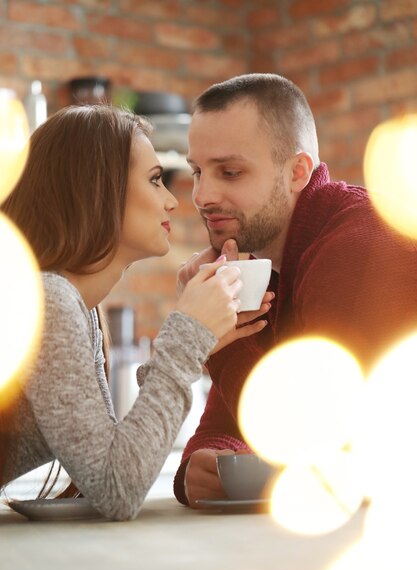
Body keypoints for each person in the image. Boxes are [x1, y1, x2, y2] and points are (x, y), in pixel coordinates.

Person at [0, 103, 271, 521]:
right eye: (155, 180)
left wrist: (194, 343)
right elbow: (118, 488)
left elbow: (112, 461)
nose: (171, 202)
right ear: (96, 189)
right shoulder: (50, 302)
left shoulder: (77, 310)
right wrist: (186, 340)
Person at [173, 72, 417, 507]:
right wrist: (204, 464)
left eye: (230, 172)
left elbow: (314, 445)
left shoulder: (359, 245)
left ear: (297, 172)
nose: (203, 195)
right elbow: (224, 428)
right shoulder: (264, 271)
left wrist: (213, 342)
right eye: (197, 172)